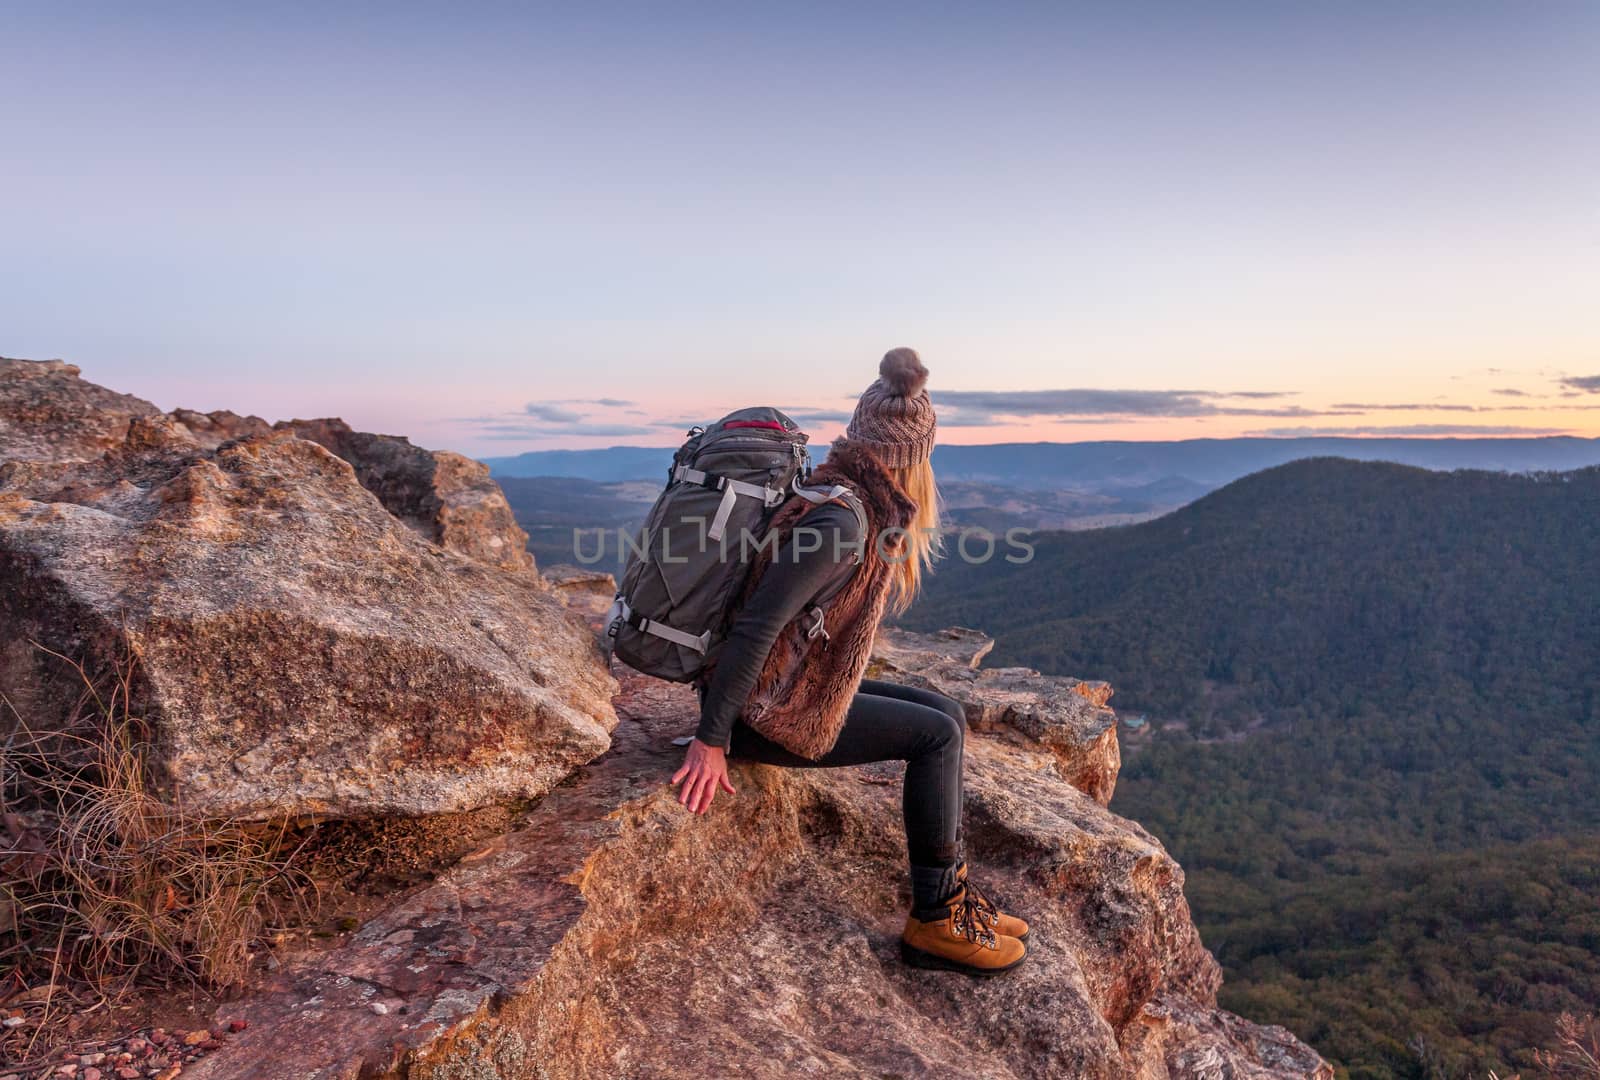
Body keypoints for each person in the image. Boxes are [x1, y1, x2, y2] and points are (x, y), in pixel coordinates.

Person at [670, 347, 1029, 976]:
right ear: (915, 456)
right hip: (764, 713)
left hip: (782, 693)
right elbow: (758, 627)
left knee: (945, 712)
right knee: (936, 735)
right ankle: (936, 918)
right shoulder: (843, 519)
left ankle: (954, 893)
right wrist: (712, 739)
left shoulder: (844, 492)